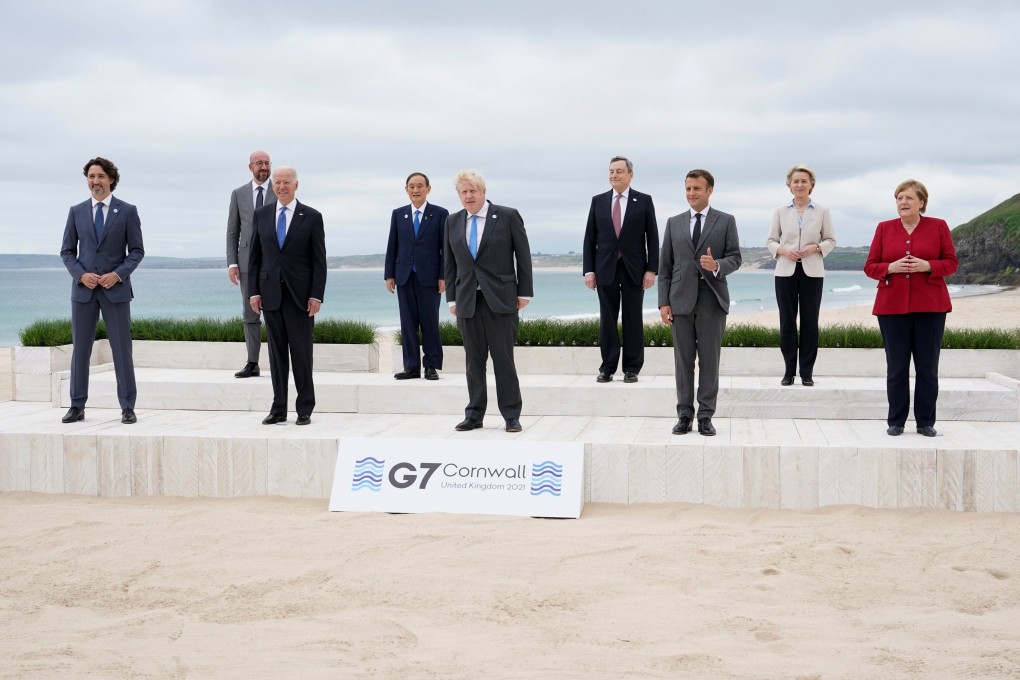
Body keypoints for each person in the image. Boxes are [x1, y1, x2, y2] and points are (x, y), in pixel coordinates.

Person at [864, 179, 957, 437]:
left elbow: (951, 263)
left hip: (931, 306)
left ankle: (925, 421)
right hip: (891, 307)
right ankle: (896, 421)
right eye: (899, 198)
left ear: (921, 203)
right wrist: (889, 268)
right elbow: (870, 266)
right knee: (896, 367)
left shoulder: (938, 227)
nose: (903, 203)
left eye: (908, 198)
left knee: (927, 367)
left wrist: (928, 266)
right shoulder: (884, 228)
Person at [444, 170, 533, 433]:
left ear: (483, 192)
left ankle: (511, 415)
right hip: (467, 300)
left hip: (501, 299)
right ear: (459, 196)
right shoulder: (451, 221)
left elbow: (523, 256)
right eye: (463, 192)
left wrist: (524, 293)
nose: (468, 196)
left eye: (473, 190)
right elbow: (450, 264)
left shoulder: (507, 216)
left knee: (503, 359)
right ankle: (474, 415)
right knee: (474, 360)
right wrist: (452, 298)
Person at [59, 157, 145, 424]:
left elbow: (137, 252)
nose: (95, 181)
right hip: (83, 292)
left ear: (111, 179)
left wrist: (117, 275)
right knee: (81, 350)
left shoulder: (127, 211)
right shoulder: (76, 211)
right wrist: (81, 275)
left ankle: (128, 406)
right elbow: (67, 251)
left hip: (115, 292)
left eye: (100, 176)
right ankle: (76, 405)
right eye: (91, 177)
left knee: (122, 350)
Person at [658, 169, 742, 436]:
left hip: (711, 300)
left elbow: (736, 257)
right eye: (688, 189)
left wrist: (717, 265)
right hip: (679, 300)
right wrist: (663, 303)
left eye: (696, 189)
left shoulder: (726, 221)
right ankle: (684, 415)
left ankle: (706, 416)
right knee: (683, 362)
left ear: (709, 190)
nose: (691, 194)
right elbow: (665, 267)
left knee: (709, 361)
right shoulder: (674, 223)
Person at [248, 166, 327, 426]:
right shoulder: (261, 215)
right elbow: (255, 257)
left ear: (296, 185)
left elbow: (319, 261)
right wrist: (254, 292)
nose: (282, 187)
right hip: (270, 295)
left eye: (287, 182)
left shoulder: (312, 217)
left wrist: (316, 295)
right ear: (272, 186)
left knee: (302, 354)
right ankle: (278, 408)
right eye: (278, 182)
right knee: (276, 355)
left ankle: (305, 408)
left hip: (300, 297)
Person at [582, 156, 659, 384]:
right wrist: (589, 270)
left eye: (619, 171)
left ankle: (632, 368)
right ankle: (607, 367)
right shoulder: (598, 201)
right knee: (607, 319)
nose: (614, 175)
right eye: (611, 171)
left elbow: (652, 238)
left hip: (634, 269)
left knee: (633, 319)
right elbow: (589, 238)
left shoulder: (643, 201)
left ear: (630, 175)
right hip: (604, 268)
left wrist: (651, 270)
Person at [766, 165, 837, 386]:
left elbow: (831, 240)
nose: (799, 185)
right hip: (785, 271)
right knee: (787, 322)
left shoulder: (822, 211)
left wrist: (815, 248)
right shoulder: (780, 211)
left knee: (809, 322)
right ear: (790, 185)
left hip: (812, 272)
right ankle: (789, 371)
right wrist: (783, 250)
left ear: (811, 184)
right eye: (795, 181)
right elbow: (770, 241)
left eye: (804, 181)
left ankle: (806, 372)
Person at [384, 172, 449, 380]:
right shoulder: (398, 214)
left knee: (430, 322)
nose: (415, 190)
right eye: (411, 186)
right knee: (408, 323)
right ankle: (411, 367)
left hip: (430, 277)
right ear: (406, 189)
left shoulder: (440, 214)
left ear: (428, 189)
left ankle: (431, 365)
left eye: (420, 186)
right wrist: (389, 275)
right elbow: (392, 246)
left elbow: (445, 249)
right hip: (404, 276)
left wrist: (443, 276)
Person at [226, 150, 275, 378]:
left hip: (274, 263)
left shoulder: (281, 190)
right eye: (259, 163)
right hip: (245, 263)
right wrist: (232, 263)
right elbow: (232, 231)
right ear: (250, 167)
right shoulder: (238, 194)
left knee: (276, 312)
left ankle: (278, 361)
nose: (263, 167)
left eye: (266, 163)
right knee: (250, 314)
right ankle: (252, 362)